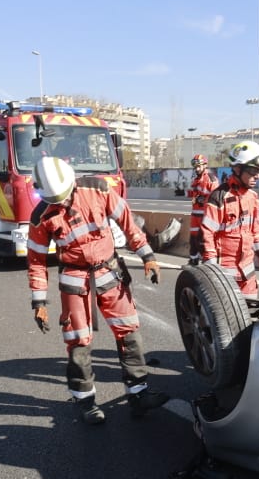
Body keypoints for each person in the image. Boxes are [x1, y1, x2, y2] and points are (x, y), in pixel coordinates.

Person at [26, 155, 167, 425]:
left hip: (109, 272)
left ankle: (138, 395)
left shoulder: (98, 189)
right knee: (79, 342)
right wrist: (39, 302)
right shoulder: (40, 217)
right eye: (55, 200)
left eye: (65, 196)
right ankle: (85, 401)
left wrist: (147, 255)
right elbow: (36, 262)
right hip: (75, 279)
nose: (63, 203)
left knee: (130, 333)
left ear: (72, 182)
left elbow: (128, 223)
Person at [199, 140, 259, 296]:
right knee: (224, 320)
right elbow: (206, 235)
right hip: (223, 277)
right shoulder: (218, 197)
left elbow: (256, 231)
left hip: (247, 276)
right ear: (238, 169)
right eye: (253, 171)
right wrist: (212, 271)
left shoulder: (253, 197)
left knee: (250, 318)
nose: (258, 176)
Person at [185, 153, 217, 266]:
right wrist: (182, 192)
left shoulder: (211, 179)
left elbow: (215, 197)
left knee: (203, 241)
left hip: (205, 216)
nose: (197, 169)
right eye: (195, 167)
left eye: (199, 166)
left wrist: (202, 199)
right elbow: (195, 194)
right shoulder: (197, 179)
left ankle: (207, 264)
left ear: (205, 165)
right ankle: (193, 260)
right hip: (195, 215)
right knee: (193, 239)